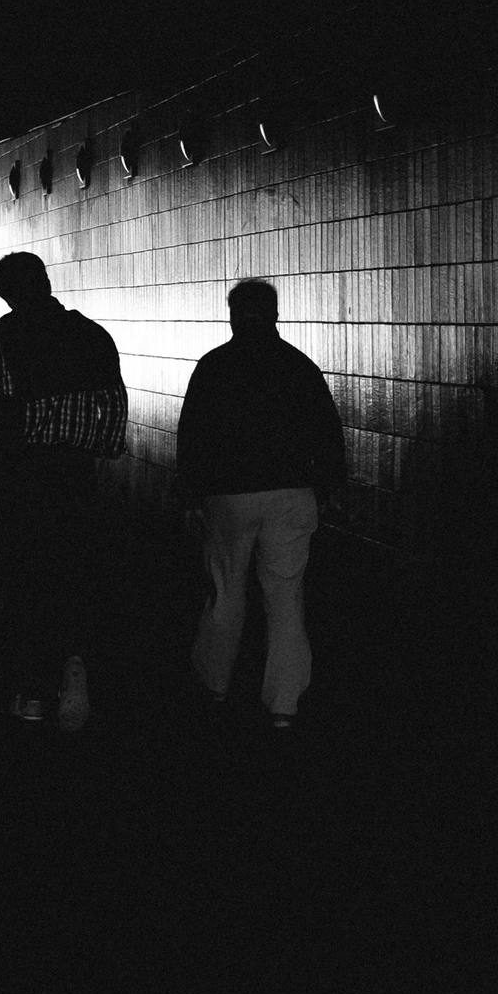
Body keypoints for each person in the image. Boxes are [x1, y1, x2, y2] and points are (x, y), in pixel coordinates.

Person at [0, 252, 127, 732]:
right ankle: (74, 664)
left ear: (3, 294)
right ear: (48, 282)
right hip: (75, 474)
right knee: (73, 570)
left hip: (20, 476)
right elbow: (113, 402)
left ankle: (31, 690)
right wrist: (101, 443)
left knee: (24, 578)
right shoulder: (91, 335)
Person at [174, 279, 346, 731]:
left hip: (228, 497)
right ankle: (284, 706)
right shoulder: (299, 366)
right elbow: (329, 434)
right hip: (292, 495)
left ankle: (215, 686)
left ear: (232, 314)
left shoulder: (213, 367)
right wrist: (326, 490)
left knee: (226, 591)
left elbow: (192, 437)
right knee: (286, 598)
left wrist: (191, 498)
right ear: (275, 314)